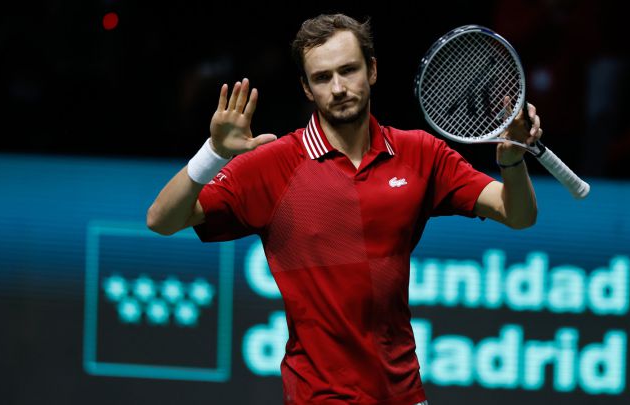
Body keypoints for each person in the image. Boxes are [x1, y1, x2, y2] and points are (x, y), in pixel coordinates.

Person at [147, 13, 541, 405]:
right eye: (322, 77)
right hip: (319, 396)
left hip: (404, 394)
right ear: (306, 88)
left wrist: (512, 160)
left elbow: (518, 215)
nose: (338, 88)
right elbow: (162, 220)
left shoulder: (421, 153)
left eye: (348, 70)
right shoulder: (273, 165)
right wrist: (212, 154)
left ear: (371, 70)